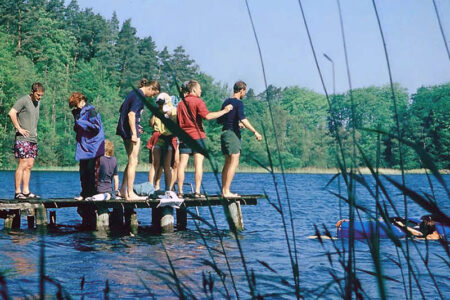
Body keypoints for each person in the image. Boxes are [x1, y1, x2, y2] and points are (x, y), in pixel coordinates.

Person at [176, 80, 233, 197]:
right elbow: (207, 116)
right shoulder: (198, 101)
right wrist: (225, 111)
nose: (201, 91)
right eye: (199, 89)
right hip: (197, 136)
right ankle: (197, 191)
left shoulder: (181, 104)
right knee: (198, 165)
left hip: (184, 137)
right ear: (194, 90)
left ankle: (180, 191)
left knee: (182, 165)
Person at [116, 78, 160, 200]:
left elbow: (122, 110)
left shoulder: (133, 93)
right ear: (151, 88)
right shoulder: (139, 96)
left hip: (125, 129)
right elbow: (131, 114)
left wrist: (136, 125)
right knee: (134, 162)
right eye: (153, 94)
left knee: (131, 161)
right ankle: (130, 193)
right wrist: (134, 133)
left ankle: (123, 191)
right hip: (130, 132)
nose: (152, 97)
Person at [218, 81, 262, 197]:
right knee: (234, 161)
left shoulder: (226, 102)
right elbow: (243, 119)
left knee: (227, 162)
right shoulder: (238, 103)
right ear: (241, 90)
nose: (245, 94)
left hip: (224, 133)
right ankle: (227, 191)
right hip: (232, 134)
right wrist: (255, 131)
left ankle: (224, 190)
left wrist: (236, 124)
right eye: (245, 91)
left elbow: (220, 120)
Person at [8, 83, 45, 200]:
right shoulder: (24, 100)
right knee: (23, 163)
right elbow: (11, 113)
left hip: (33, 138)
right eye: (38, 95)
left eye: (41, 95)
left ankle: (26, 191)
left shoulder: (38, 103)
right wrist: (18, 128)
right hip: (22, 138)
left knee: (29, 165)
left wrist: (35, 131)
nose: (40, 97)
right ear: (32, 92)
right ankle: (18, 192)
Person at [69, 92, 105, 200]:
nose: (75, 107)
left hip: (94, 145)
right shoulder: (77, 112)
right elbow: (77, 128)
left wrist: (81, 123)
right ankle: (84, 193)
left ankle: (92, 194)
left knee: (91, 170)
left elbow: (96, 127)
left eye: (76, 104)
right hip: (83, 145)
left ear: (82, 101)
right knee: (83, 170)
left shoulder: (91, 111)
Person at [146, 92, 178, 191]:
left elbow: (151, 124)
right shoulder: (170, 109)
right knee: (159, 165)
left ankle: (165, 188)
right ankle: (156, 187)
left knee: (163, 165)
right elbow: (151, 124)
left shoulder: (172, 110)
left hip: (166, 138)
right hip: (160, 137)